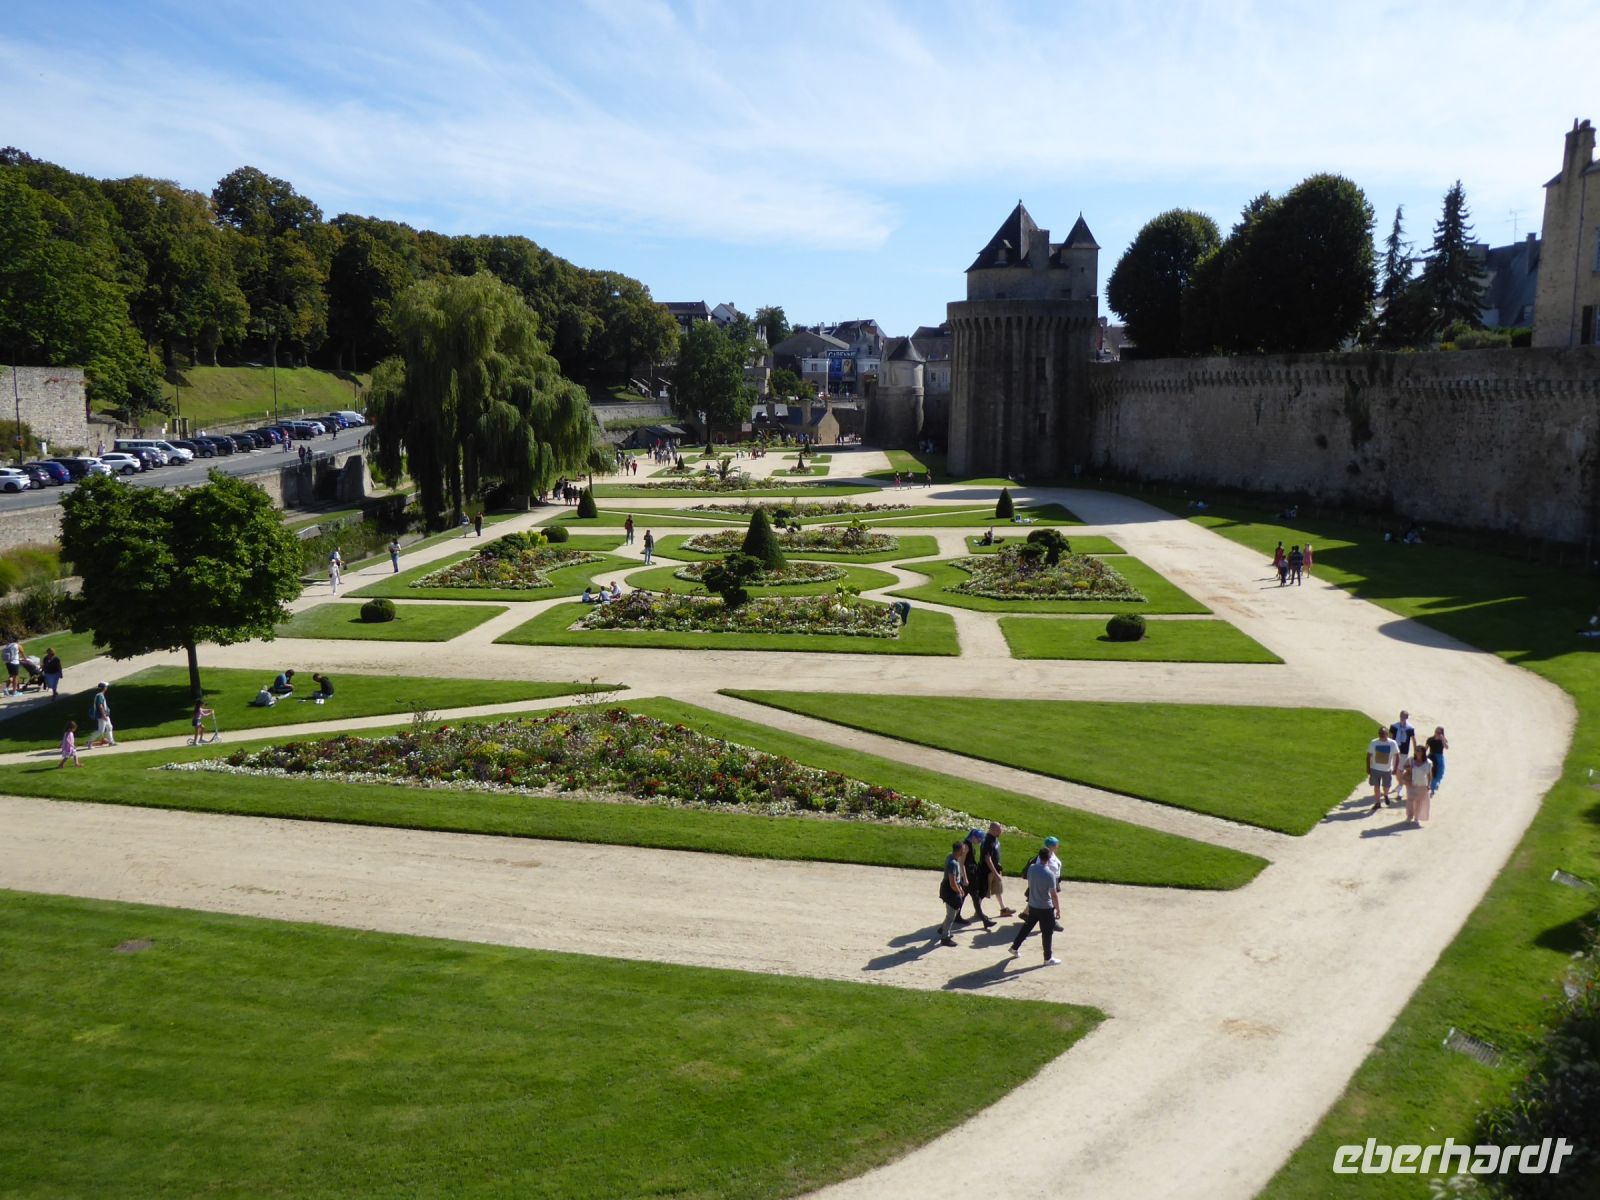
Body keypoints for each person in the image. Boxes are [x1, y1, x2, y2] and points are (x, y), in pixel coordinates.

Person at [1009, 844, 1062, 965]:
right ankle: (1047, 958)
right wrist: (1058, 909)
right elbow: (1053, 895)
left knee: (1026, 928)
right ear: (1048, 859)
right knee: (1047, 933)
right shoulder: (1050, 874)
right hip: (1045, 908)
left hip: (1033, 905)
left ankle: (1014, 947)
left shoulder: (1032, 868)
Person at [1024, 835, 1065, 931]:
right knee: (1049, 902)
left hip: (1052, 880)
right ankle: (1052, 922)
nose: (1057, 846)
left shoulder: (1051, 854)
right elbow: (1040, 871)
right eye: (1056, 845)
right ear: (1050, 846)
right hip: (1046, 883)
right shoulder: (1044, 857)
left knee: (1045, 901)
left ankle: (1026, 914)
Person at [958, 829, 995, 929]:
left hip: (971, 875)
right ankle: (984, 920)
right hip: (969, 877)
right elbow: (961, 863)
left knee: (963, 896)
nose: (979, 841)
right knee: (975, 897)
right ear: (973, 837)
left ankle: (957, 916)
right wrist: (965, 878)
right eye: (979, 839)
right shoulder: (966, 846)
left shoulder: (968, 845)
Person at [936, 839, 969, 947]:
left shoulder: (950, 856)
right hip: (950, 892)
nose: (964, 851)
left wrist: (959, 888)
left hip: (949, 890)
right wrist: (959, 891)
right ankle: (945, 937)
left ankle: (943, 928)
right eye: (963, 850)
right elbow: (952, 882)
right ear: (959, 850)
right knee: (951, 915)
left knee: (952, 912)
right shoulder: (953, 863)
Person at [980, 822, 1014, 918]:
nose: (1001, 831)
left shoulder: (994, 839)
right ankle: (978, 911)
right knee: (982, 892)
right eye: (999, 830)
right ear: (992, 830)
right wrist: (995, 873)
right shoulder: (987, 842)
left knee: (998, 890)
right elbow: (987, 859)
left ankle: (1003, 909)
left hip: (995, 870)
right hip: (988, 872)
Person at [1366, 724, 1400, 812]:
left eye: (1383, 734)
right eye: (1380, 733)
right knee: (1376, 786)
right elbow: (1368, 756)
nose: (1381, 735)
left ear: (1387, 734)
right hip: (1375, 769)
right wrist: (1368, 768)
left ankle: (1385, 795)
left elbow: (1397, 756)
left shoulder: (1392, 743)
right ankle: (1378, 803)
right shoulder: (1374, 742)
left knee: (1386, 786)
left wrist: (1395, 768)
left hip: (1387, 770)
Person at [1402, 743, 1433, 825]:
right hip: (1411, 783)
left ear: (1423, 752)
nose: (1417, 752)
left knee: (1419, 802)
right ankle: (1409, 816)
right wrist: (1409, 768)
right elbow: (1404, 766)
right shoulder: (1411, 760)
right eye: (1416, 750)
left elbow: (1429, 775)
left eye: (1418, 750)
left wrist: (1429, 785)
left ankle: (1417, 817)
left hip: (1422, 784)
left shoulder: (1428, 763)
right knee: (1410, 800)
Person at [90, 682, 115, 747]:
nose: (107, 688)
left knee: (109, 727)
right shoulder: (99, 696)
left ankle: (111, 741)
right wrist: (103, 715)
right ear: (104, 688)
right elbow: (100, 706)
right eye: (106, 687)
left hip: (105, 715)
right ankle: (89, 742)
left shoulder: (100, 695)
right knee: (101, 731)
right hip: (102, 716)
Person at [1426, 726, 1449, 796]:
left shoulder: (1442, 740)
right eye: (1436, 732)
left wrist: (1442, 739)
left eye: (1439, 732)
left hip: (1439, 757)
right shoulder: (1430, 739)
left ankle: (1433, 787)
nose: (1437, 733)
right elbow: (1425, 748)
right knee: (1431, 772)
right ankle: (1431, 787)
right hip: (1432, 757)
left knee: (1440, 773)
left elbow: (1446, 747)